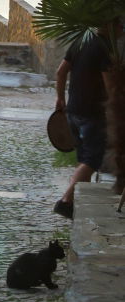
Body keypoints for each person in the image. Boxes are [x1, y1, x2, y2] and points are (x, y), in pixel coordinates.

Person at [53, 29, 115, 219]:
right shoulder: (103, 47)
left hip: (73, 111)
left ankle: (79, 206)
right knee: (92, 160)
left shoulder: (80, 40)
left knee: (84, 158)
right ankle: (66, 201)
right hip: (93, 113)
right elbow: (110, 85)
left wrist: (60, 98)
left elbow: (60, 71)